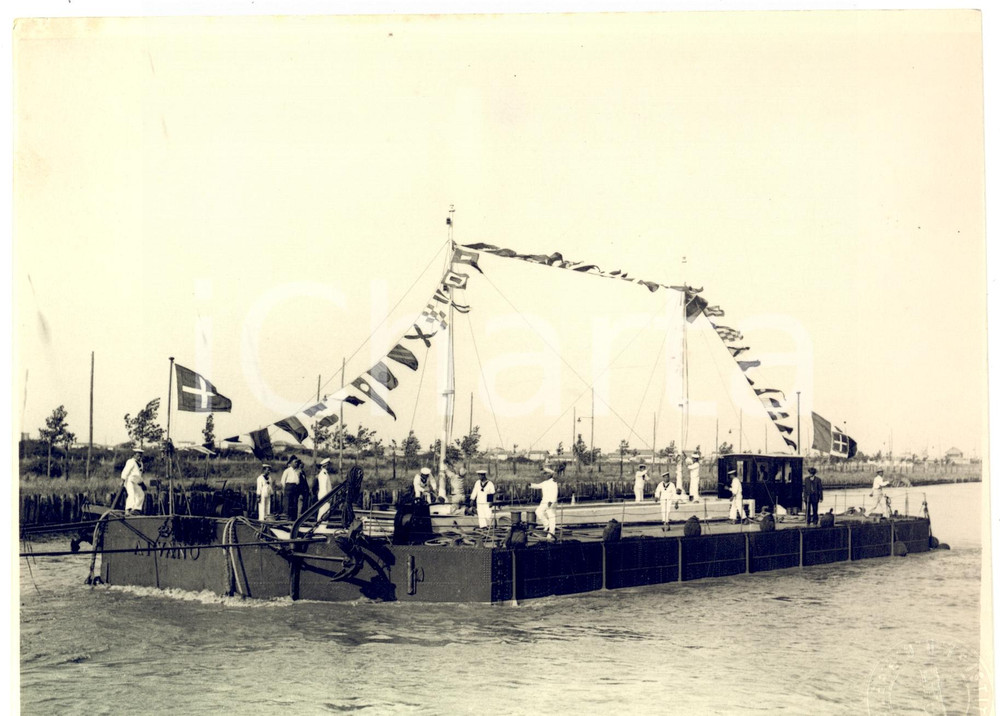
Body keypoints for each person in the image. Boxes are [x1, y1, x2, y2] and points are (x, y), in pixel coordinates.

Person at [529, 467, 559, 540]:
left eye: (546, 474)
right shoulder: (544, 483)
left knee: (551, 517)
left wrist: (552, 502)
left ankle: (551, 534)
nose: (544, 476)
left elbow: (555, 493)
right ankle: (546, 524)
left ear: (550, 475)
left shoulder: (553, 483)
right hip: (544, 502)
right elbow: (537, 486)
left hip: (551, 503)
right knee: (538, 511)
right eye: (544, 475)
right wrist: (530, 484)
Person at [121, 447, 147, 515]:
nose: (139, 457)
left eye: (140, 456)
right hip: (130, 481)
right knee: (131, 494)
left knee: (141, 494)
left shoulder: (141, 463)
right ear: (134, 455)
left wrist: (142, 483)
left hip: (136, 482)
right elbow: (126, 471)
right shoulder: (130, 462)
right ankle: (127, 510)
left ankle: (136, 509)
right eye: (138, 455)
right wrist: (123, 479)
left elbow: (139, 475)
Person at [281, 456, 304, 520]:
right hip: (289, 487)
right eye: (295, 462)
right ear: (291, 463)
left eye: (297, 462)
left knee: (294, 504)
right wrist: (286, 489)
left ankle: (293, 519)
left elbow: (298, 480)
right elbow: (283, 481)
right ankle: (287, 519)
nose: (296, 463)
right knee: (288, 504)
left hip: (295, 488)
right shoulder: (287, 471)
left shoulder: (297, 471)